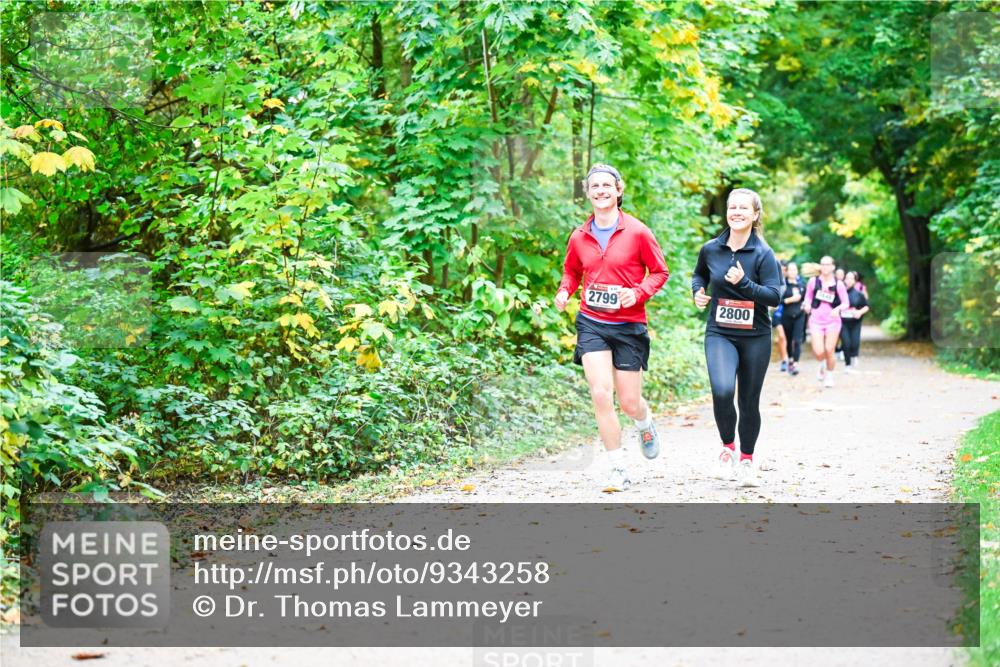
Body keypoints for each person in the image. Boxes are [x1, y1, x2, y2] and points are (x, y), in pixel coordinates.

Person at [554, 164, 669, 492]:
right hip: (592, 322)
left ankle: (644, 422)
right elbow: (572, 272)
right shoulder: (579, 236)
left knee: (630, 402)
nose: (601, 191)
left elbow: (660, 272)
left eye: (607, 185)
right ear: (587, 192)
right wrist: (565, 291)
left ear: (619, 190)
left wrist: (637, 292)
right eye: (595, 186)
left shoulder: (638, 232)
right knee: (601, 394)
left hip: (629, 324)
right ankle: (617, 467)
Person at [692, 188, 782, 487]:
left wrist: (744, 283)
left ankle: (746, 460)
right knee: (721, 390)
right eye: (733, 207)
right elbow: (699, 275)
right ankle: (727, 449)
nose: (737, 212)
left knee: (748, 400)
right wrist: (698, 292)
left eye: (744, 208)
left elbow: (773, 297)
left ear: (755, 214)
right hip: (720, 332)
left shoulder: (763, 254)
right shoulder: (711, 249)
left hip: (755, 336)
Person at [803, 256, 849, 388]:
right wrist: (806, 305)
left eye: (827, 264)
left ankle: (829, 376)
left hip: (833, 321)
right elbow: (807, 298)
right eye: (822, 264)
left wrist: (838, 309)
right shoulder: (813, 282)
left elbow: (846, 303)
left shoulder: (838, 284)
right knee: (819, 352)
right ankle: (822, 364)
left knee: (829, 349)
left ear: (833, 267)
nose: (825, 267)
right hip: (816, 320)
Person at [840, 271, 870, 370]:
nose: (849, 280)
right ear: (844, 280)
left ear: (854, 281)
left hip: (856, 323)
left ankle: (853, 357)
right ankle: (847, 364)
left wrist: (859, 312)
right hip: (843, 322)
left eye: (851, 278)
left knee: (854, 343)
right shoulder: (840, 293)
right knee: (846, 343)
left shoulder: (859, 294)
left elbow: (866, 307)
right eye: (847, 278)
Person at [781, 261, 806, 375]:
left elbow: (807, 299)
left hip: (800, 316)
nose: (793, 272)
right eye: (790, 269)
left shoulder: (801, 286)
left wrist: (805, 304)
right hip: (786, 316)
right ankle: (790, 359)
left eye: (795, 270)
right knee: (789, 339)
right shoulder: (783, 285)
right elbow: (777, 300)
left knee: (797, 340)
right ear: (786, 271)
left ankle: (795, 363)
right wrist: (790, 300)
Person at [772, 260, 789, 372]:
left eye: (784, 270)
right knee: (781, 336)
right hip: (777, 314)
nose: (782, 272)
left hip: (789, 314)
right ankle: (784, 360)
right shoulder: (773, 280)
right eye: (780, 270)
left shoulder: (793, 281)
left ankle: (788, 357)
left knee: (786, 338)